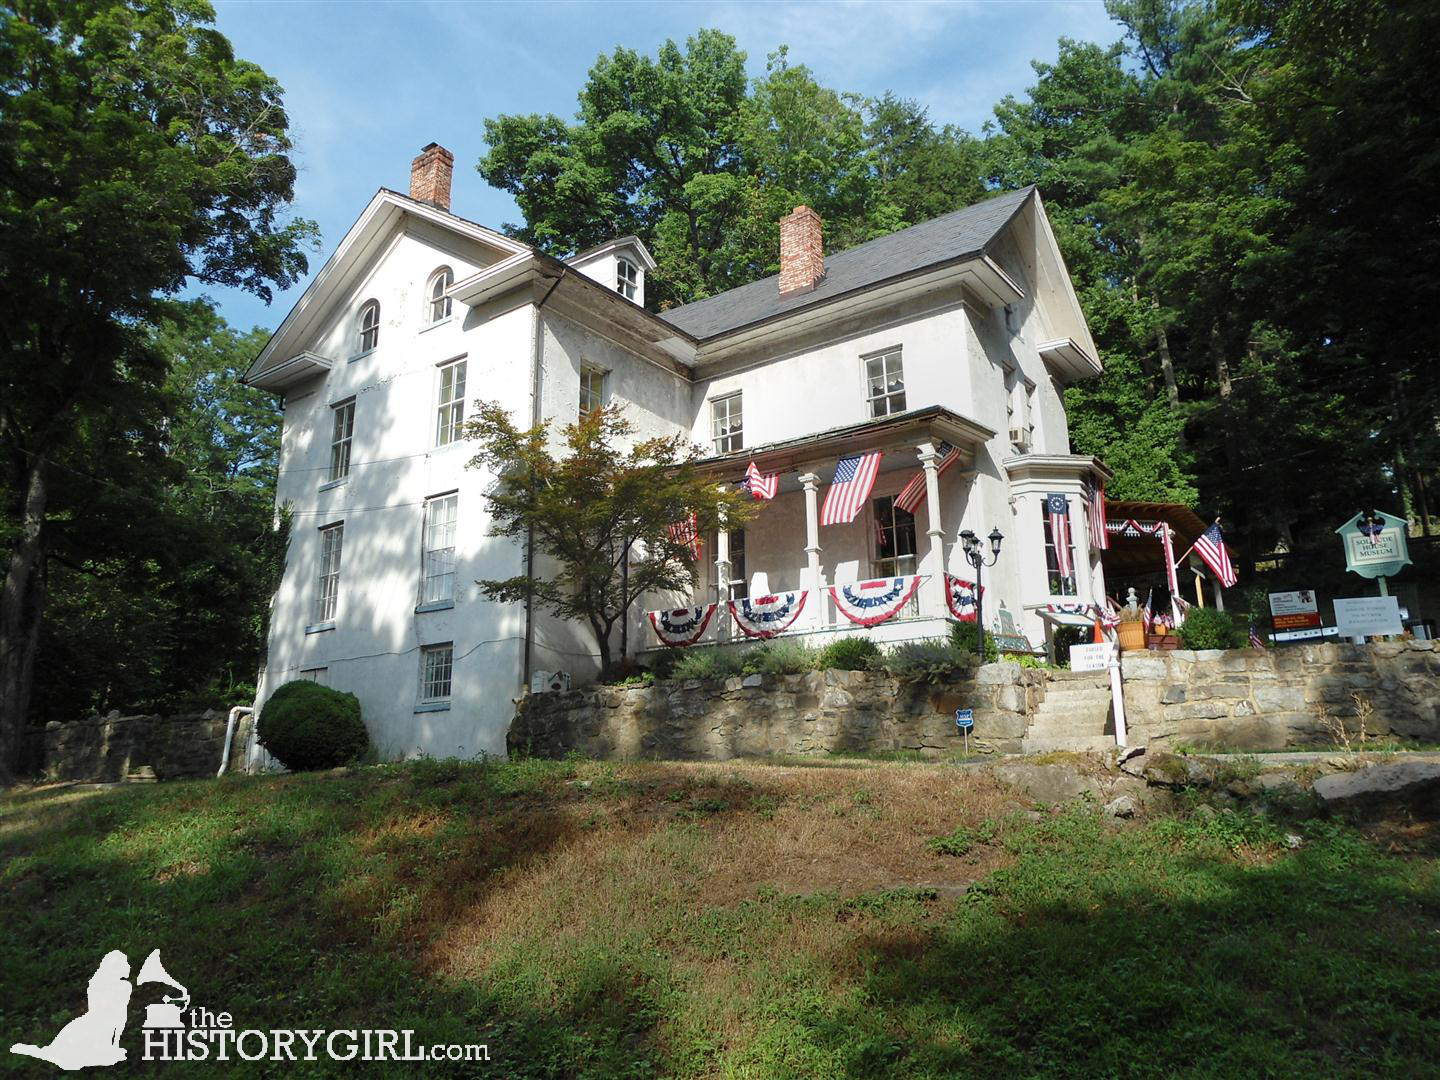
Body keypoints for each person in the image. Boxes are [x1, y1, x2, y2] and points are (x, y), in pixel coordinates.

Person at [10, 950, 132, 1070]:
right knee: (70, 1055)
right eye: (124, 963)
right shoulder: (97, 985)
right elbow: (101, 1013)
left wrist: (114, 1045)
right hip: (93, 1026)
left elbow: (121, 1016)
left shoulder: (124, 987)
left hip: (101, 1025)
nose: (128, 966)